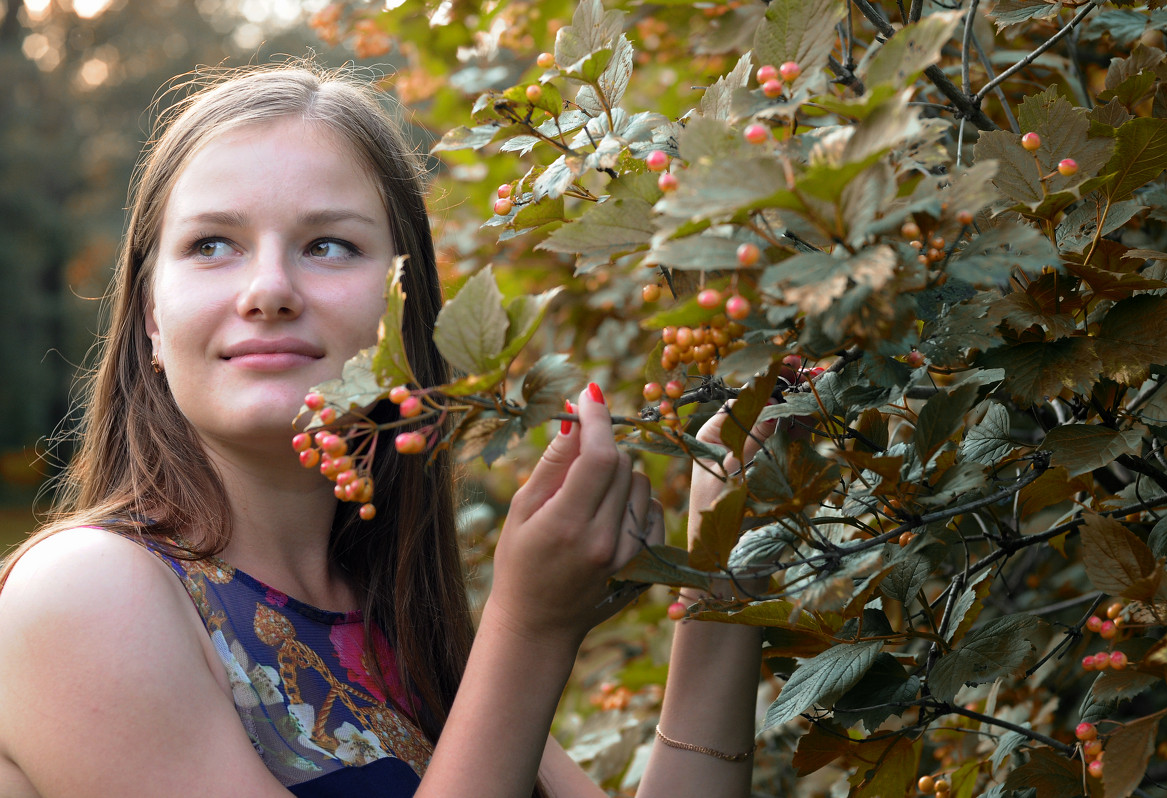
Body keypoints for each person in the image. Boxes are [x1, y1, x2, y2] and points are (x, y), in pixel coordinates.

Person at [0, 62, 765, 798]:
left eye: (328, 244)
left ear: (409, 314)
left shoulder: (395, 629)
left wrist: (729, 557)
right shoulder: (82, 593)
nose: (269, 289)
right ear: (150, 321)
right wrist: (529, 629)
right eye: (213, 245)